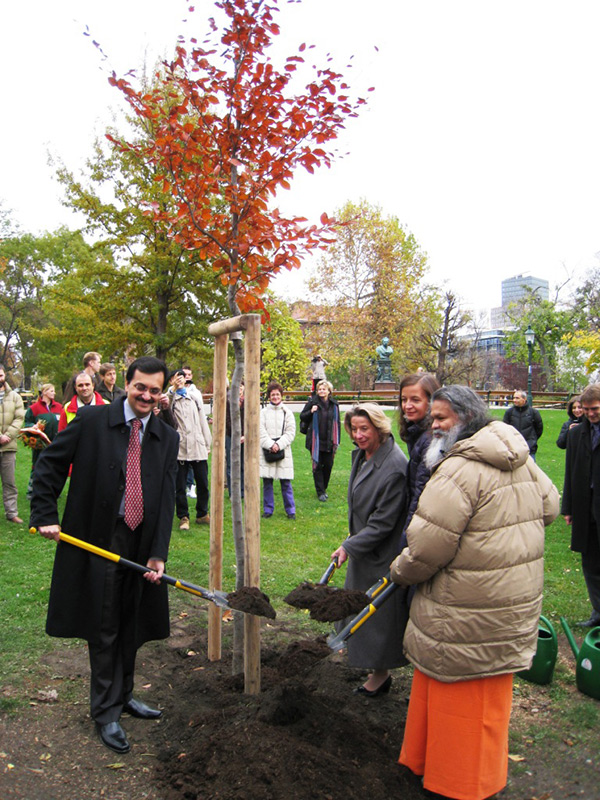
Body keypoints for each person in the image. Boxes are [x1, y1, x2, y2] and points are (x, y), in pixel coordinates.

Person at [390, 386, 559, 800]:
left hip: (465, 610)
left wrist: (399, 571)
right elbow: (551, 506)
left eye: (441, 419)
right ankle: (438, 765)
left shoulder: (459, 468)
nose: (433, 427)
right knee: (483, 697)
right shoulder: (516, 454)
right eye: (433, 418)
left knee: (459, 699)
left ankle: (456, 783)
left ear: (466, 419)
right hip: (509, 605)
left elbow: (427, 548)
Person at [29, 356, 179, 755]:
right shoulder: (92, 421)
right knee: (104, 620)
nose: (146, 395)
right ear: (126, 384)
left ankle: (124, 694)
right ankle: (105, 710)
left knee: (133, 617)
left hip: (141, 542)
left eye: (154, 389)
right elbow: (49, 466)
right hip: (99, 537)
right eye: (140, 387)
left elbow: (165, 500)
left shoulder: (166, 436)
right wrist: (45, 514)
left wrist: (159, 553)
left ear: (161, 392)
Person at [331, 403, 408, 695]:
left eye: (365, 429)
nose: (359, 435)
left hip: (382, 553)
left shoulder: (394, 467)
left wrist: (349, 545)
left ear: (379, 427)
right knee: (361, 610)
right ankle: (369, 662)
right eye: (354, 429)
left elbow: (383, 523)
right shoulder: (366, 455)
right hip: (365, 546)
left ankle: (381, 674)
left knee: (377, 615)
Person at [562, 383, 600, 627]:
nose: (590, 414)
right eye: (585, 409)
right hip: (586, 508)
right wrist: (568, 507)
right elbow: (569, 472)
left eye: (595, 409)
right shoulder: (576, 434)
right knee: (590, 562)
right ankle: (598, 611)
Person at [398, 372, 441, 535]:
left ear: (431, 402)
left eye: (415, 400)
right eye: (404, 400)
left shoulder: (430, 440)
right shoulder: (416, 433)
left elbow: (420, 494)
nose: (407, 405)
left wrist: (406, 537)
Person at [169, 370, 211, 530]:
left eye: (182, 376)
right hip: (180, 448)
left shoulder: (194, 396)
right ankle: (183, 516)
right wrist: (174, 388)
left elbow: (202, 420)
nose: (179, 379)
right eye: (175, 377)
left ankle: (202, 514)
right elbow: (166, 400)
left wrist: (207, 443)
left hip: (197, 445)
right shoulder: (171, 398)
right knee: (180, 485)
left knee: (203, 482)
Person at [260, 381, 296, 519]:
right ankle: (268, 509)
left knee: (285, 482)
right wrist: (270, 445)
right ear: (269, 396)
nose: (275, 397)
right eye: (273, 394)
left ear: (281, 395)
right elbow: (260, 430)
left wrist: (279, 445)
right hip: (267, 450)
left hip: (283, 450)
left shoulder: (287, 413)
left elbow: (290, 432)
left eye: (277, 394)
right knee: (267, 482)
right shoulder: (262, 413)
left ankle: (290, 510)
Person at [299, 380, 340, 501]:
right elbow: (302, 416)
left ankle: (323, 487)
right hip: (315, 440)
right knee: (317, 466)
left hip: (329, 440)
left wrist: (337, 441)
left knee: (328, 465)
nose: (322, 391)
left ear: (329, 391)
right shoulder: (313, 402)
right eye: (320, 389)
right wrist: (311, 411)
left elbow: (337, 424)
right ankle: (320, 492)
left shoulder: (334, 404)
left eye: (324, 389)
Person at [23, 384, 63, 497]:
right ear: (44, 392)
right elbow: (27, 422)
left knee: (54, 466)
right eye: (51, 391)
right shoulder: (34, 408)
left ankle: (53, 490)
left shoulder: (59, 407)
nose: (54, 393)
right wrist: (33, 426)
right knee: (38, 465)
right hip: (40, 443)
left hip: (55, 442)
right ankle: (32, 491)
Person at [0, 365, 25, 523]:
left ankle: (12, 513)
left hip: (8, 446)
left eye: (0, 375)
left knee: (9, 482)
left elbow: (19, 418)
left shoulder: (15, 396)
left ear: (4, 375)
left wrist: (7, 435)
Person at [503, 389, 543, 459]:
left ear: (524, 399)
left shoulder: (533, 413)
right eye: (514, 398)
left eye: (517, 398)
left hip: (529, 448)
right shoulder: (509, 413)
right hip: (513, 447)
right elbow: (505, 429)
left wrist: (532, 439)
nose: (514, 400)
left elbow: (539, 428)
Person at [225, 383, 245, 498]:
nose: (240, 390)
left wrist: (244, 435)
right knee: (231, 465)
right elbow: (227, 420)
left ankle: (242, 491)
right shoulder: (229, 401)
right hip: (231, 436)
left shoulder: (247, 402)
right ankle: (233, 492)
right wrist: (236, 435)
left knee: (242, 464)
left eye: (242, 387)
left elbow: (249, 419)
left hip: (244, 438)